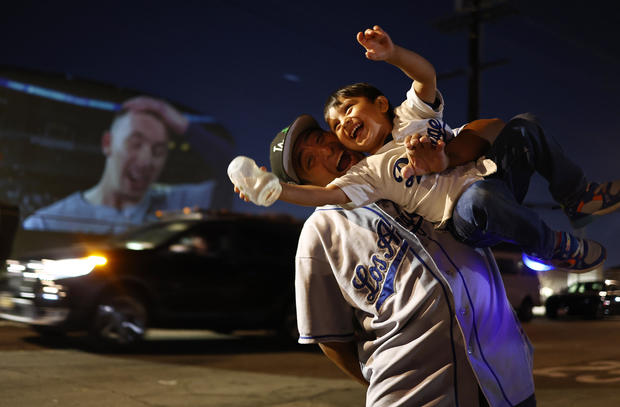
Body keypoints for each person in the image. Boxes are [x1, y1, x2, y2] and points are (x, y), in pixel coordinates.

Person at [239, 25, 619, 273]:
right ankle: (552, 245)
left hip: (492, 177)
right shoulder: (367, 175)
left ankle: (579, 196)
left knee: (526, 126)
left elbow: (428, 78)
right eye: (335, 127)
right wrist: (274, 190)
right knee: (480, 199)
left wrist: (393, 55)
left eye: (343, 118)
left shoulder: (411, 117)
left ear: (382, 105)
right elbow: (326, 194)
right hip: (467, 213)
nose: (340, 129)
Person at [266, 114, 537, 406]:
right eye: (309, 162)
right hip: (416, 394)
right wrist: (386, 380)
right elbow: (328, 337)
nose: (326, 152)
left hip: (507, 377)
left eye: (320, 139)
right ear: (305, 185)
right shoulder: (320, 231)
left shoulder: (408, 158)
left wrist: (448, 156)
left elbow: (493, 128)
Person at [23, 96, 234, 234]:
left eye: (158, 151)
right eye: (135, 144)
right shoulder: (47, 223)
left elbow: (235, 171)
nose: (146, 161)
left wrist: (183, 125)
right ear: (108, 144)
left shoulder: (177, 202)